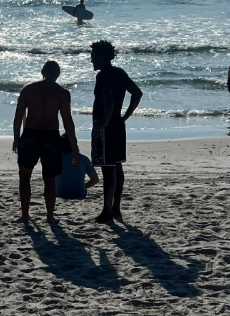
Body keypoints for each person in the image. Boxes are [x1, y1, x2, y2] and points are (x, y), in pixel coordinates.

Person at [13, 61, 80, 223]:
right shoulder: (62, 93)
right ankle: (50, 216)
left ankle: (24, 215)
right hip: (51, 137)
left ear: (42, 71)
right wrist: (74, 147)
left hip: (30, 135)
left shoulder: (28, 89)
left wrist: (17, 138)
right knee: (49, 180)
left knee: (24, 177)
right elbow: (67, 122)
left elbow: (17, 117)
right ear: (58, 74)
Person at [90, 40, 143, 224]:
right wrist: (124, 117)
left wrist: (104, 121)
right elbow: (137, 93)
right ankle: (116, 208)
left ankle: (107, 210)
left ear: (101, 58)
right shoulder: (119, 73)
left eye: (93, 57)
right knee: (117, 167)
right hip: (118, 125)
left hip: (107, 127)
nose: (91, 61)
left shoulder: (103, 76)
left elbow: (108, 99)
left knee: (108, 169)